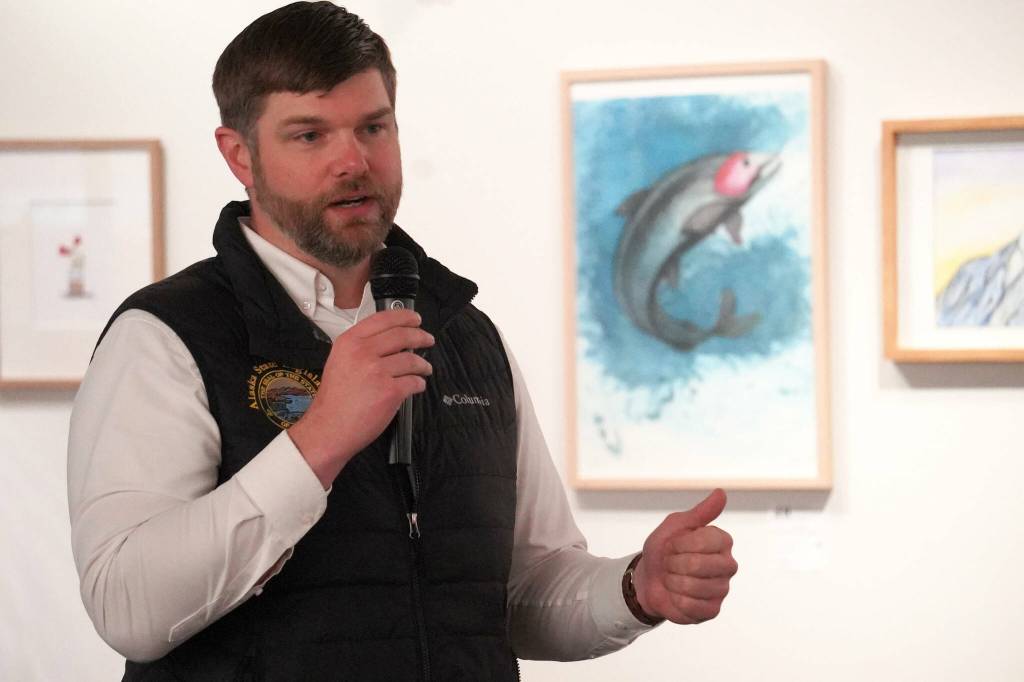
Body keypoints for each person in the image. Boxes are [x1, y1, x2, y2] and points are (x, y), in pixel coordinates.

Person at [67, 3, 738, 680]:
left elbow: (519, 591)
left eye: (372, 127)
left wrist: (636, 589)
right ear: (239, 155)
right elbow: (130, 610)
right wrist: (319, 441)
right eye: (309, 136)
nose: (353, 161)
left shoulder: (466, 335)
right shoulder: (165, 337)